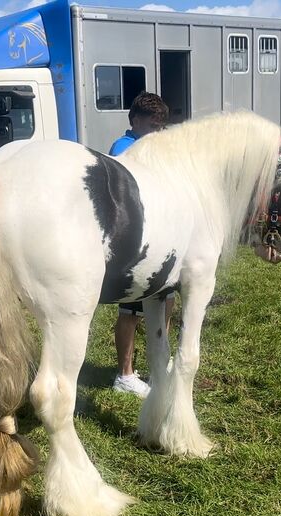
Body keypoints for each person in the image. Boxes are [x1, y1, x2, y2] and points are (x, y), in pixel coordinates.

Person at [108, 92, 172, 397]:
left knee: (167, 300)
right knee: (130, 312)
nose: (157, 132)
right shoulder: (124, 149)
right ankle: (125, 373)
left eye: (161, 126)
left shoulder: (153, 145)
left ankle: (159, 359)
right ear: (135, 121)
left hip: (159, 241)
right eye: (152, 125)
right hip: (136, 245)